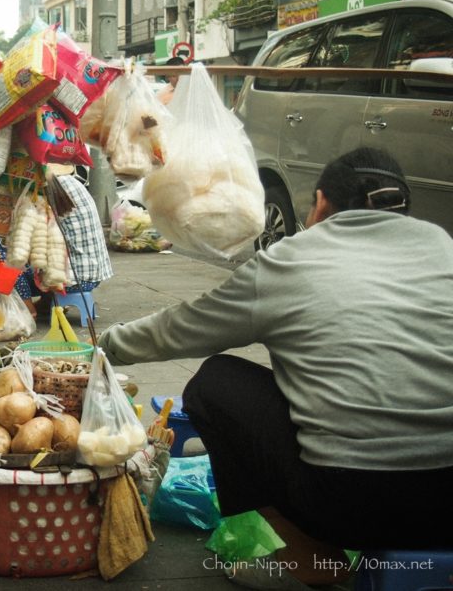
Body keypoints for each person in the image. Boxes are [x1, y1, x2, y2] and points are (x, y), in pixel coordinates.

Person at [99, 147, 453, 588]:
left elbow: (180, 329)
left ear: (321, 202)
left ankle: (315, 561)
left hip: (347, 505)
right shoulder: (443, 248)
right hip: (446, 504)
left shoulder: (291, 259)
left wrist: (105, 346)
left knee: (216, 382)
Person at [0, 167, 114, 319]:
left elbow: (26, 236)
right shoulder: (70, 182)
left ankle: (28, 310)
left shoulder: (45, 188)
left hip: (73, 278)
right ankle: (47, 302)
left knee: (0, 247)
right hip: (93, 274)